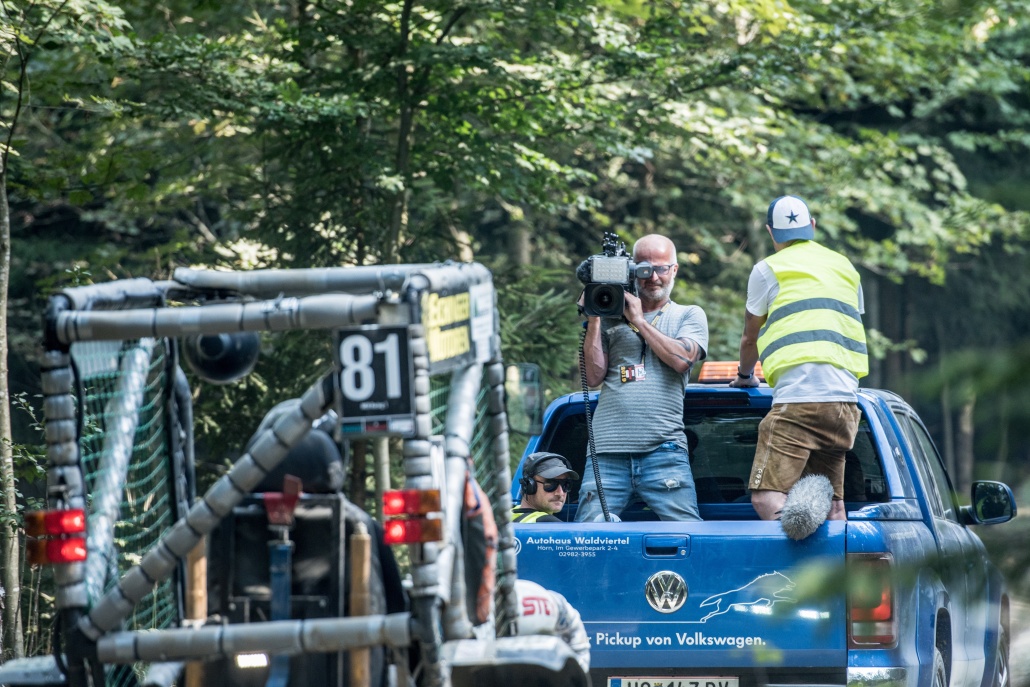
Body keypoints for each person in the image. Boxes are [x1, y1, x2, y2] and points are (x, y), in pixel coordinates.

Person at [730, 195, 869, 525]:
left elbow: (750, 337)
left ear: (770, 232)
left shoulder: (767, 270)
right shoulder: (845, 267)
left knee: (766, 497)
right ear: (813, 226)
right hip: (844, 404)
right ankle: (832, 559)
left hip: (799, 399)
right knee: (834, 505)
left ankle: (798, 559)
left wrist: (746, 375)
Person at [576, 234, 709, 522]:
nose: (653, 278)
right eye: (644, 269)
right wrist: (595, 316)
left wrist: (638, 320)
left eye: (661, 268)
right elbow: (593, 376)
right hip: (606, 452)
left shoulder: (688, 315)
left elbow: (682, 360)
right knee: (588, 539)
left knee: (686, 534)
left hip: (664, 449)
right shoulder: (608, 317)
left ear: (674, 269)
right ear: (631, 269)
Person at [513, 452, 580, 523]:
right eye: (550, 484)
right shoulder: (549, 523)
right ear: (529, 485)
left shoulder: (508, 514)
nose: (560, 493)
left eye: (565, 484)